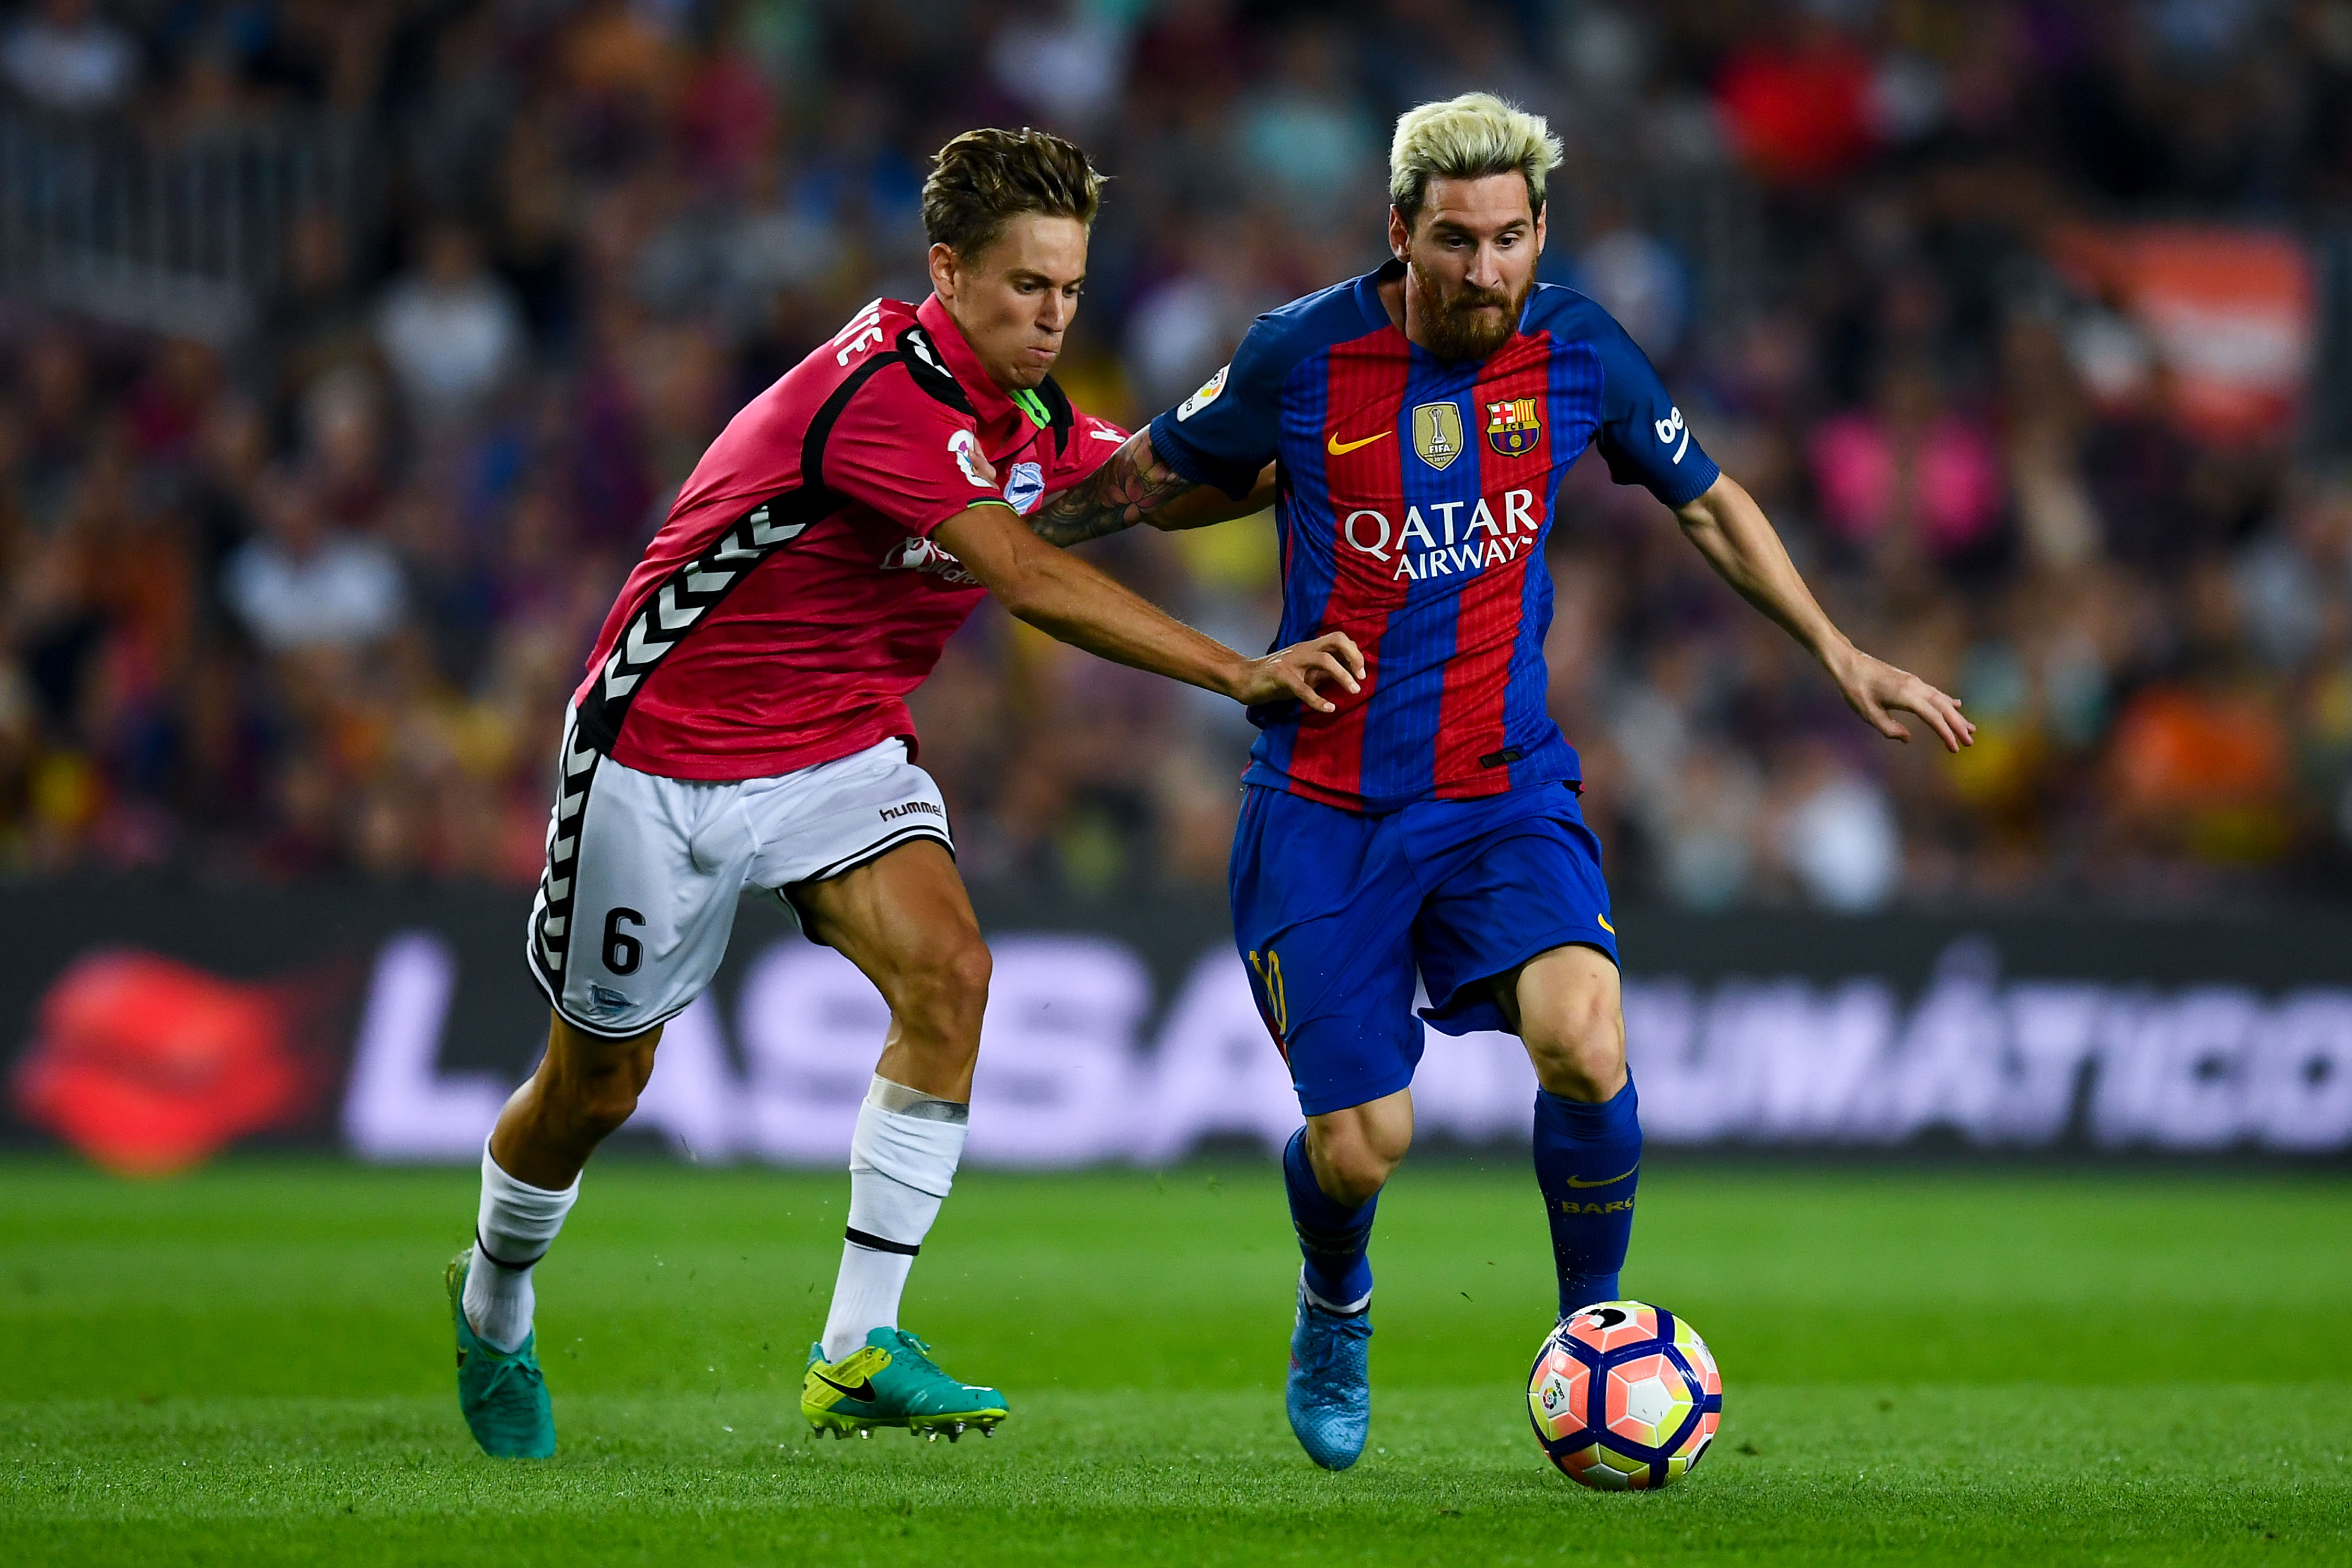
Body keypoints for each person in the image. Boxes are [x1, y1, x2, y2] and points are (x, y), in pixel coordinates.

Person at [1023, 93, 1973, 1470]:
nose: (1486, 270)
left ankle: (1593, 1333)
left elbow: (1707, 501)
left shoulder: (1579, 350)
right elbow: (1148, 483)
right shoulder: (1301, 353)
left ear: (1541, 234)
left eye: (1511, 239)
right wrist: (975, 543)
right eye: (1457, 241)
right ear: (1399, 232)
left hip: (1501, 789)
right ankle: (1335, 1300)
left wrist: (1839, 651)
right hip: (1323, 807)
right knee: (1363, 1146)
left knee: (1586, 1038)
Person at [447, 127, 1362, 1459]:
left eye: (1070, 289)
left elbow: (1147, 488)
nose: (1053, 317)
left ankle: (855, 1349)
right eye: (1025, 287)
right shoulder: (881, 394)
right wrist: (1239, 670)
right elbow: (1028, 576)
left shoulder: (1028, 416)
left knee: (953, 976)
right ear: (947, 270)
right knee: (596, 1088)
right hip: (663, 755)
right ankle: (494, 1301)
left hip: (836, 753)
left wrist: (1343, 459)